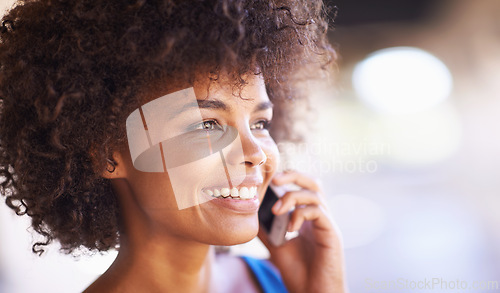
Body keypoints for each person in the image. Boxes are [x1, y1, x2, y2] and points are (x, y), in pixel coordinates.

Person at [0, 0, 347, 292]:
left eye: (260, 123)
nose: (256, 153)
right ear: (106, 152)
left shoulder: (282, 280)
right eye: (207, 125)